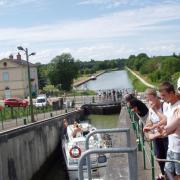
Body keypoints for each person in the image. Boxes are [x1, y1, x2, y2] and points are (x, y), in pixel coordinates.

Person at [143, 88, 168, 180]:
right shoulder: (151, 109)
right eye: (147, 100)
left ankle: (169, 176)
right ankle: (163, 175)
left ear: (156, 97)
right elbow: (149, 121)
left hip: (166, 137)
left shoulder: (164, 106)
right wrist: (146, 126)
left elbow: (166, 122)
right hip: (157, 138)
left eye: (150, 99)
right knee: (159, 156)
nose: (149, 102)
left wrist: (155, 110)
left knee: (167, 159)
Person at [158, 82, 180, 180]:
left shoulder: (178, 107)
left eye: (164, 95)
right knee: (167, 170)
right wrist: (158, 126)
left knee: (178, 174)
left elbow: (173, 126)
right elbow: (166, 119)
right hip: (171, 146)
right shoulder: (169, 105)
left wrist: (160, 132)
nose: (162, 98)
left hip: (178, 148)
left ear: (171, 93)